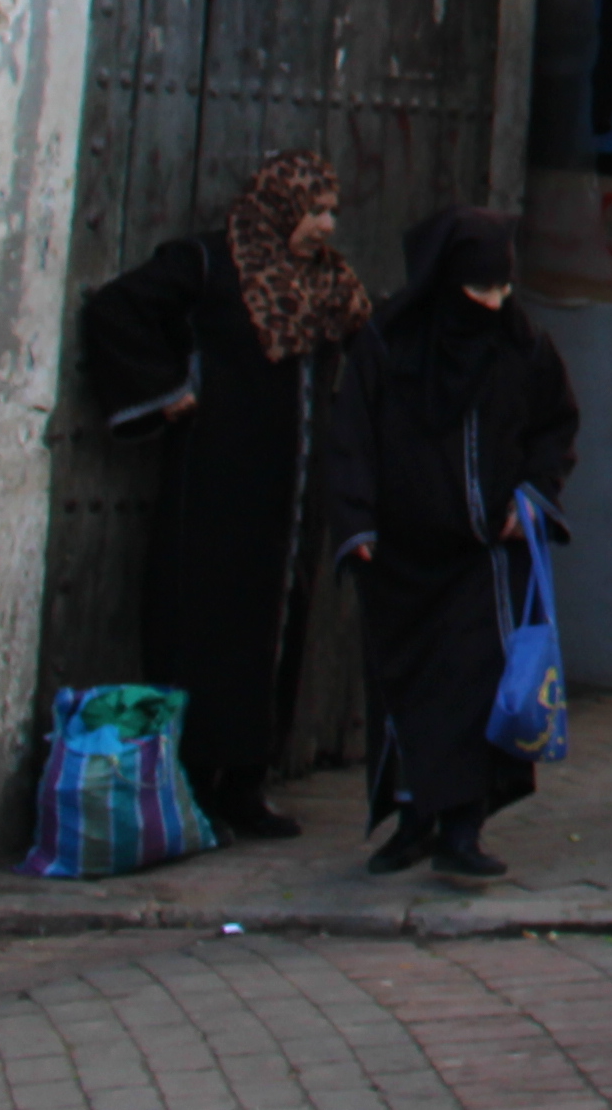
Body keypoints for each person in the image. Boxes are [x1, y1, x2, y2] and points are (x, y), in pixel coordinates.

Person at [77, 147, 368, 841]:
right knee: (210, 631)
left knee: (279, 634)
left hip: (293, 500)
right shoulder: (212, 266)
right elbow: (115, 311)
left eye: (331, 212)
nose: (326, 226)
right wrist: (168, 391)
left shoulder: (329, 286)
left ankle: (246, 783)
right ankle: (189, 779)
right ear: (279, 207)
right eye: (315, 210)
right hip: (219, 490)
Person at [318, 210, 580, 881]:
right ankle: (414, 822)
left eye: (501, 292)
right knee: (408, 696)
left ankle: (462, 830)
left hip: (484, 561)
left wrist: (533, 497)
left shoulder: (521, 347)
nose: (491, 306)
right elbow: (352, 440)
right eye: (478, 293)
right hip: (403, 560)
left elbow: (555, 426)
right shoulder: (388, 345)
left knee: (473, 691)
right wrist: (356, 525)